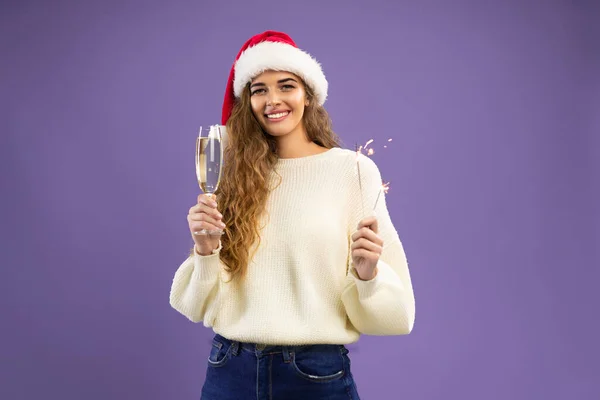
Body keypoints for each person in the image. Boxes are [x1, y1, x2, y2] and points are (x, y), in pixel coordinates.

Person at [170, 30, 416, 400]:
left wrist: (368, 277)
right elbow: (191, 306)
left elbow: (398, 317)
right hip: (229, 370)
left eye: (286, 85)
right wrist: (205, 252)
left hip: (314, 376)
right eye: (259, 90)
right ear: (247, 102)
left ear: (308, 95)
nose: (273, 100)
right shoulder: (230, 174)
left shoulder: (353, 172)